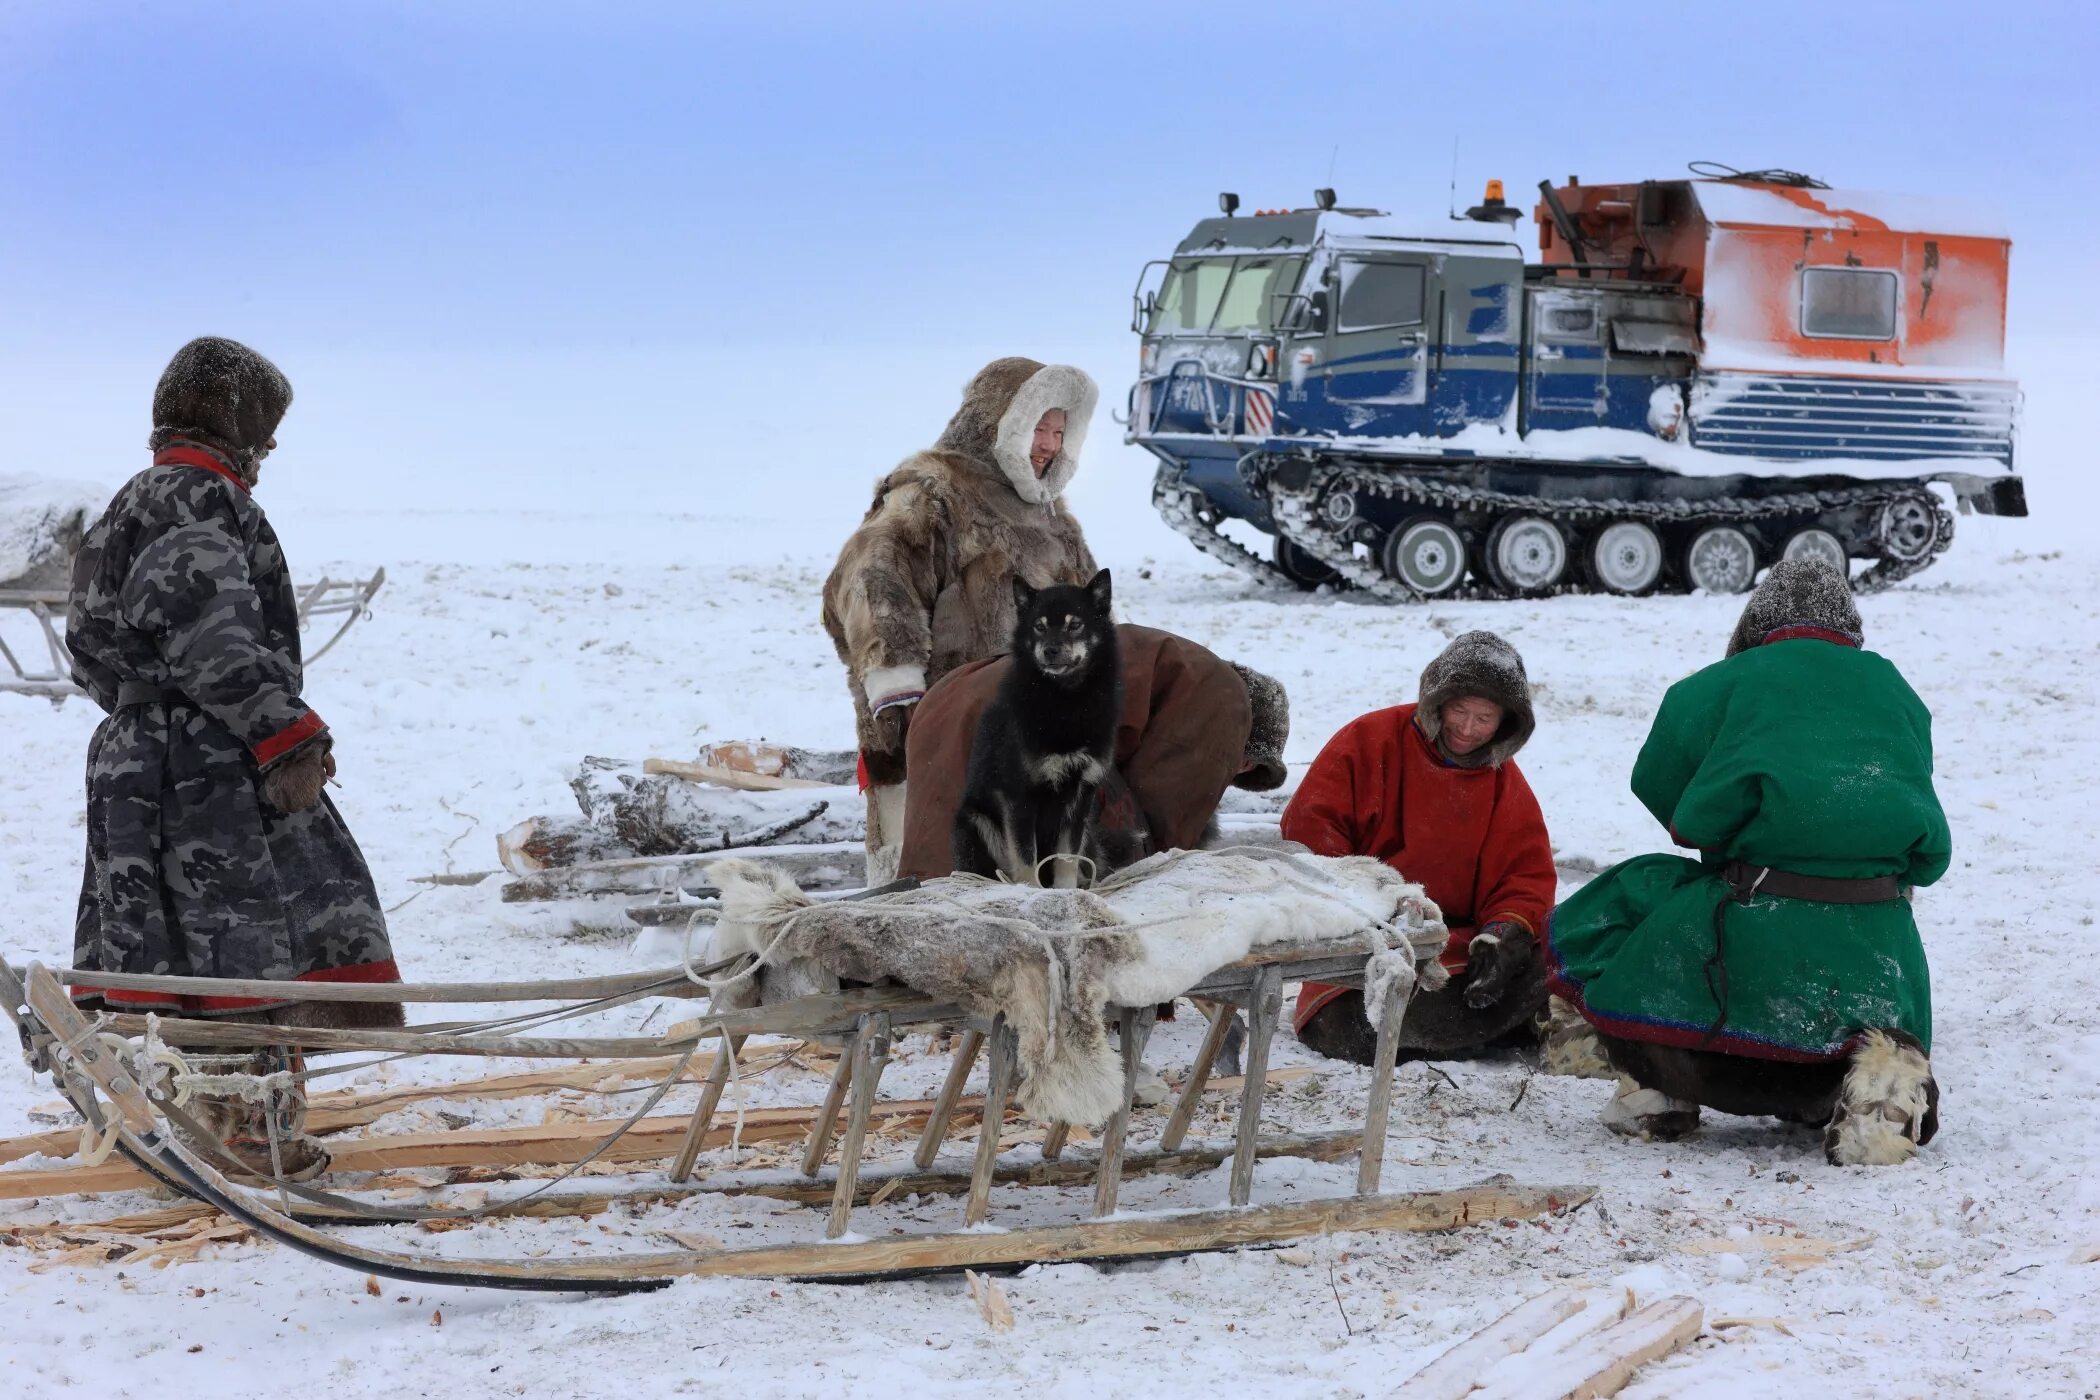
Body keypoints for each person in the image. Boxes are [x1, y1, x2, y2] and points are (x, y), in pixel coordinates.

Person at [66, 337, 403, 1181]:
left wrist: (145, 723)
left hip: (146, 755)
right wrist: (288, 735)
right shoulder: (197, 498)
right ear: (234, 419)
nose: (274, 446)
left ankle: (210, 1112)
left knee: (176, 947)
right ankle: (249, 1133)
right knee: (244, 943)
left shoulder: (130, 503)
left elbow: (94, 653)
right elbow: (210, 633)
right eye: (268, 424)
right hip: (204, 765)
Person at [1545, 561, 1950, 1166]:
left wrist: (1734, 833)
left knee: (1629, 894)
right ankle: (1882, 1073)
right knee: (1873, 998)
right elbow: (1926, 855)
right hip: (1878, 932)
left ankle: (1657, 1089)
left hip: (1752, 925)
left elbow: (1666, 790)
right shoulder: (1895, 688)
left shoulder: (1728, 679)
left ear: (1759, 617)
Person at [822, 357, 1099, 883]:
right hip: (936, 737)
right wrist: (903, 701)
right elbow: (870, 580)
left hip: (1036, 748)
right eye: (1038, 427)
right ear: (998, 422)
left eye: (1060, 432)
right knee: (924, 897)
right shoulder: (932, 493)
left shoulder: (1055, 521)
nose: (1049, 445)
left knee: (1022, 905)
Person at [1285, 632, 1557, 1064]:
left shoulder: (1503, 781)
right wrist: (1372, 903)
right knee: (1356, 1020)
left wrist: (1501, 934)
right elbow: (1312, 833)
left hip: (1456, 947)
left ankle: (1457, 1028)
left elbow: (1525, 875)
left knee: (1558, 950)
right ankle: (1473, 1032)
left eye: (1484, 718)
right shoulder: (1368, 741)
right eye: (1458, 710)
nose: (1467, 729)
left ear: (1506, 722)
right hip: (1368, 943)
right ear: (1436, 701)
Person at [895, 625, 1290, 881]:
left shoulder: (1170, 667)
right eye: (1246, 762)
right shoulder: (1223, 698)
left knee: (940, 881)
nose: (1236, 771)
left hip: (954, 698)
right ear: (1243, 739)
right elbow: (1159, 836)